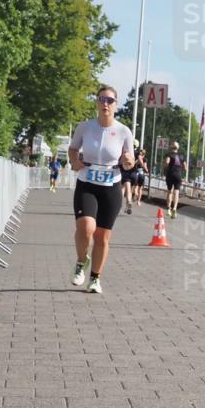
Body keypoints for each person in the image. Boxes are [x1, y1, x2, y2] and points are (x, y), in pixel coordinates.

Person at [67, 86, 135, 294]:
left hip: (111, 187)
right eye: (102, 99)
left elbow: (130, 161)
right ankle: (81, 262)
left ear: (116, 104)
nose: (106, 103)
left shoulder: (124, 131)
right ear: (97, 103)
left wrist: (128, 161)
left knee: (102, 236)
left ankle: (95, 279)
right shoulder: (85, 127)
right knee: (86, 227)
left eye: (110, 100)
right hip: (87, 183)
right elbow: (73, 149)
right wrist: (74, 161)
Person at [164, 141, 185, 218]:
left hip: (170, 174)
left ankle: (168, 209)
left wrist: (165, 167)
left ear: (171, 147)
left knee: (169, 192)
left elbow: (167, 162)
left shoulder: (169, 154)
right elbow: (185, 167)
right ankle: (175, 208)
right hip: (178, 175)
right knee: (176, 192)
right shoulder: (181, 156)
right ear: (178, 148)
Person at [120, 139, 139, 214]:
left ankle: (124, 202)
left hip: (125, 173)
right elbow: (140, 161)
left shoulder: (124, 152)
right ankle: (128, 204)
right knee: (130, 190)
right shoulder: (137, 153)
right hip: (134, 173)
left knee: (124, 189)